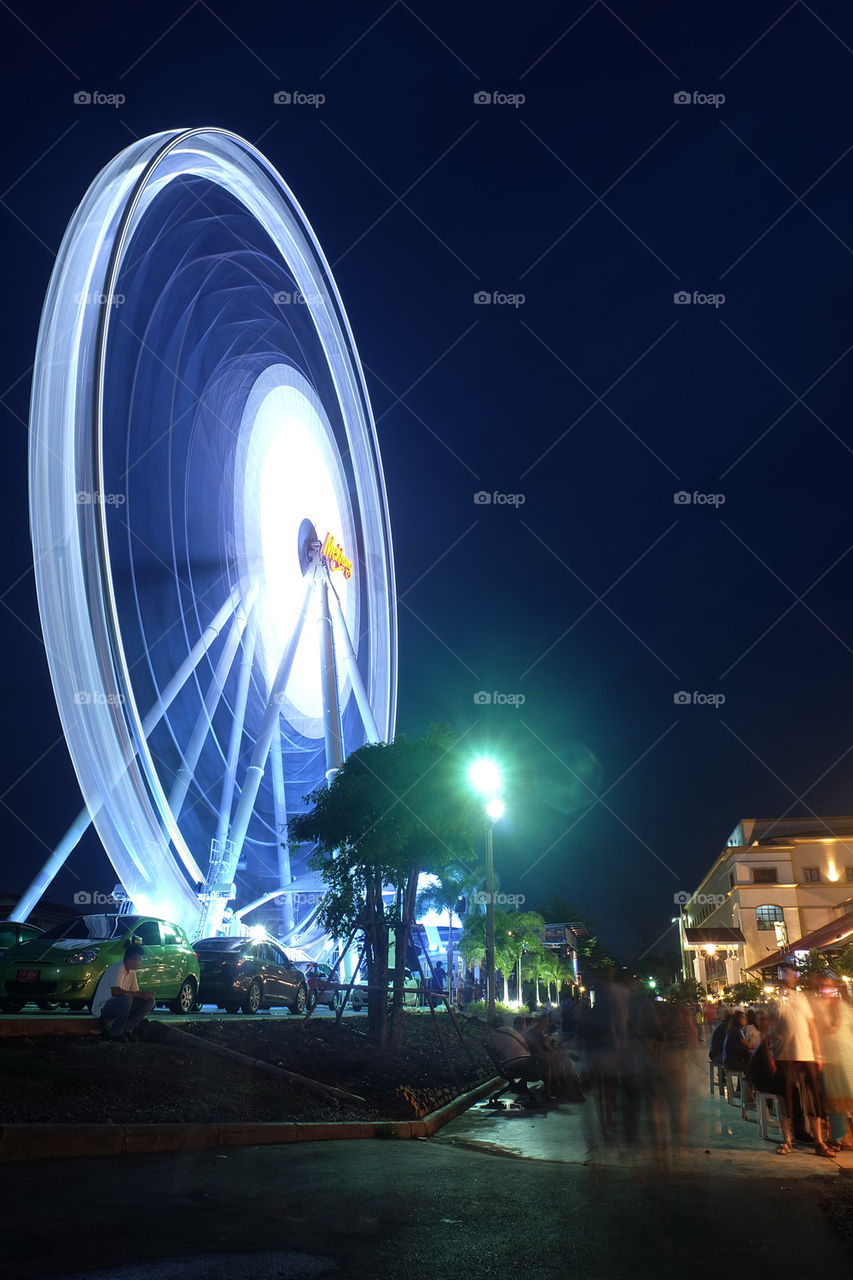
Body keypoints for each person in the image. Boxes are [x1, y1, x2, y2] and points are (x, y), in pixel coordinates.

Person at [92, 944, 155, 1041]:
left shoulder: (132, 972)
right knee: (126, 998)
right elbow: (115, 991)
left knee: (149, 1001)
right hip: (104, 1007)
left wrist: (144, 995)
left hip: (119, 1004)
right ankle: (115, 1033)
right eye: (138, 959)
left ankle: (125, 1029)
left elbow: (135, 992)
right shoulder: (118, 968)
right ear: (130, 959)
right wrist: (138, 994)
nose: (139, 962)